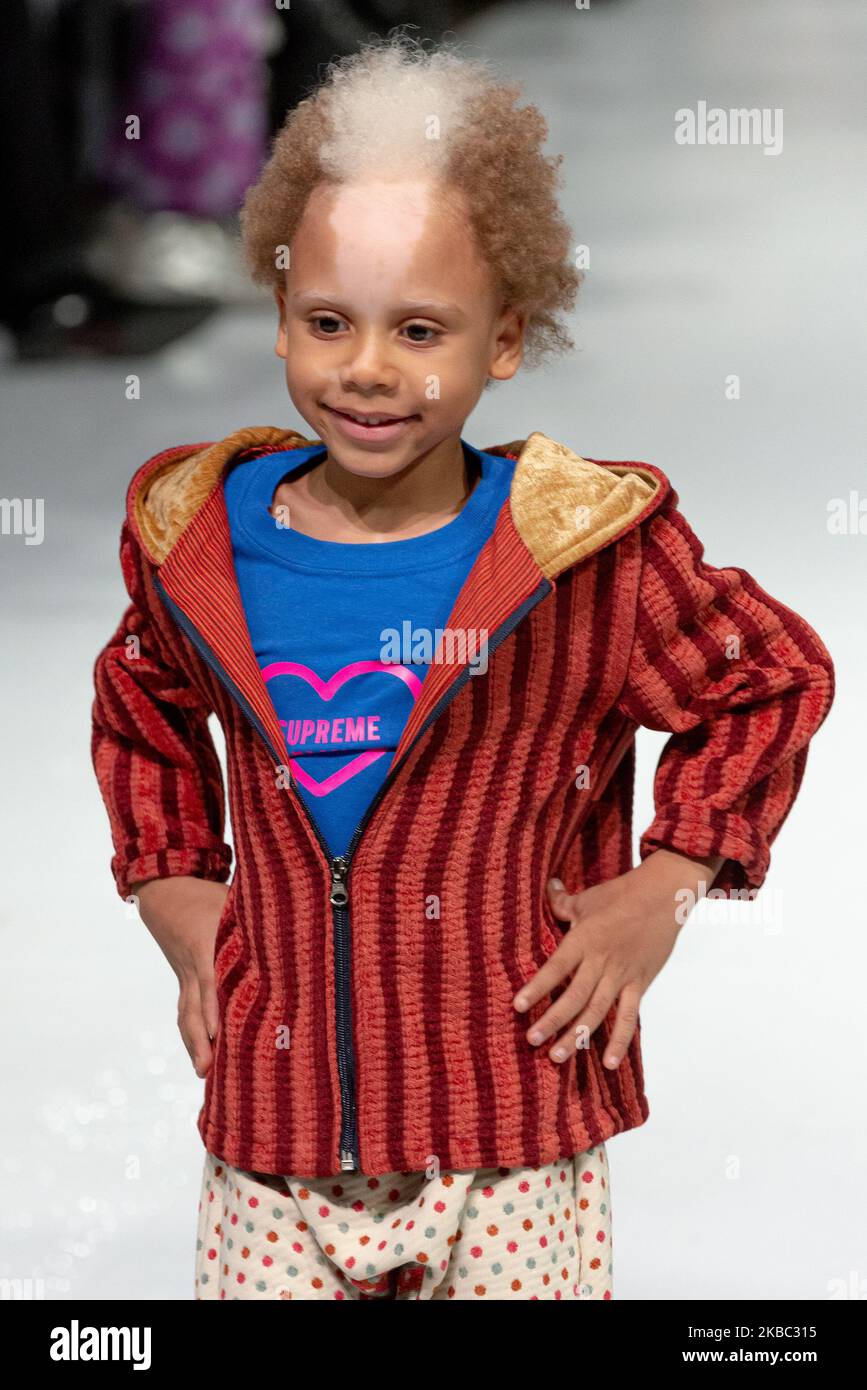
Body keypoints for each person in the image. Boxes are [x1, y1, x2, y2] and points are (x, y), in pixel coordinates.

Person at [89, 33, 835, 1301]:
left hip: (512, 1118)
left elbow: (766, 677)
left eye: (420, 328)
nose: (369, 367)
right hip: (276, 1122)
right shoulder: (201, 545)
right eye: (329, 322)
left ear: (506, 340)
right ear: (278, 321)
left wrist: (663, 886)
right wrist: (174, 891)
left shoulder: (578, 555)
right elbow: (142, 700)